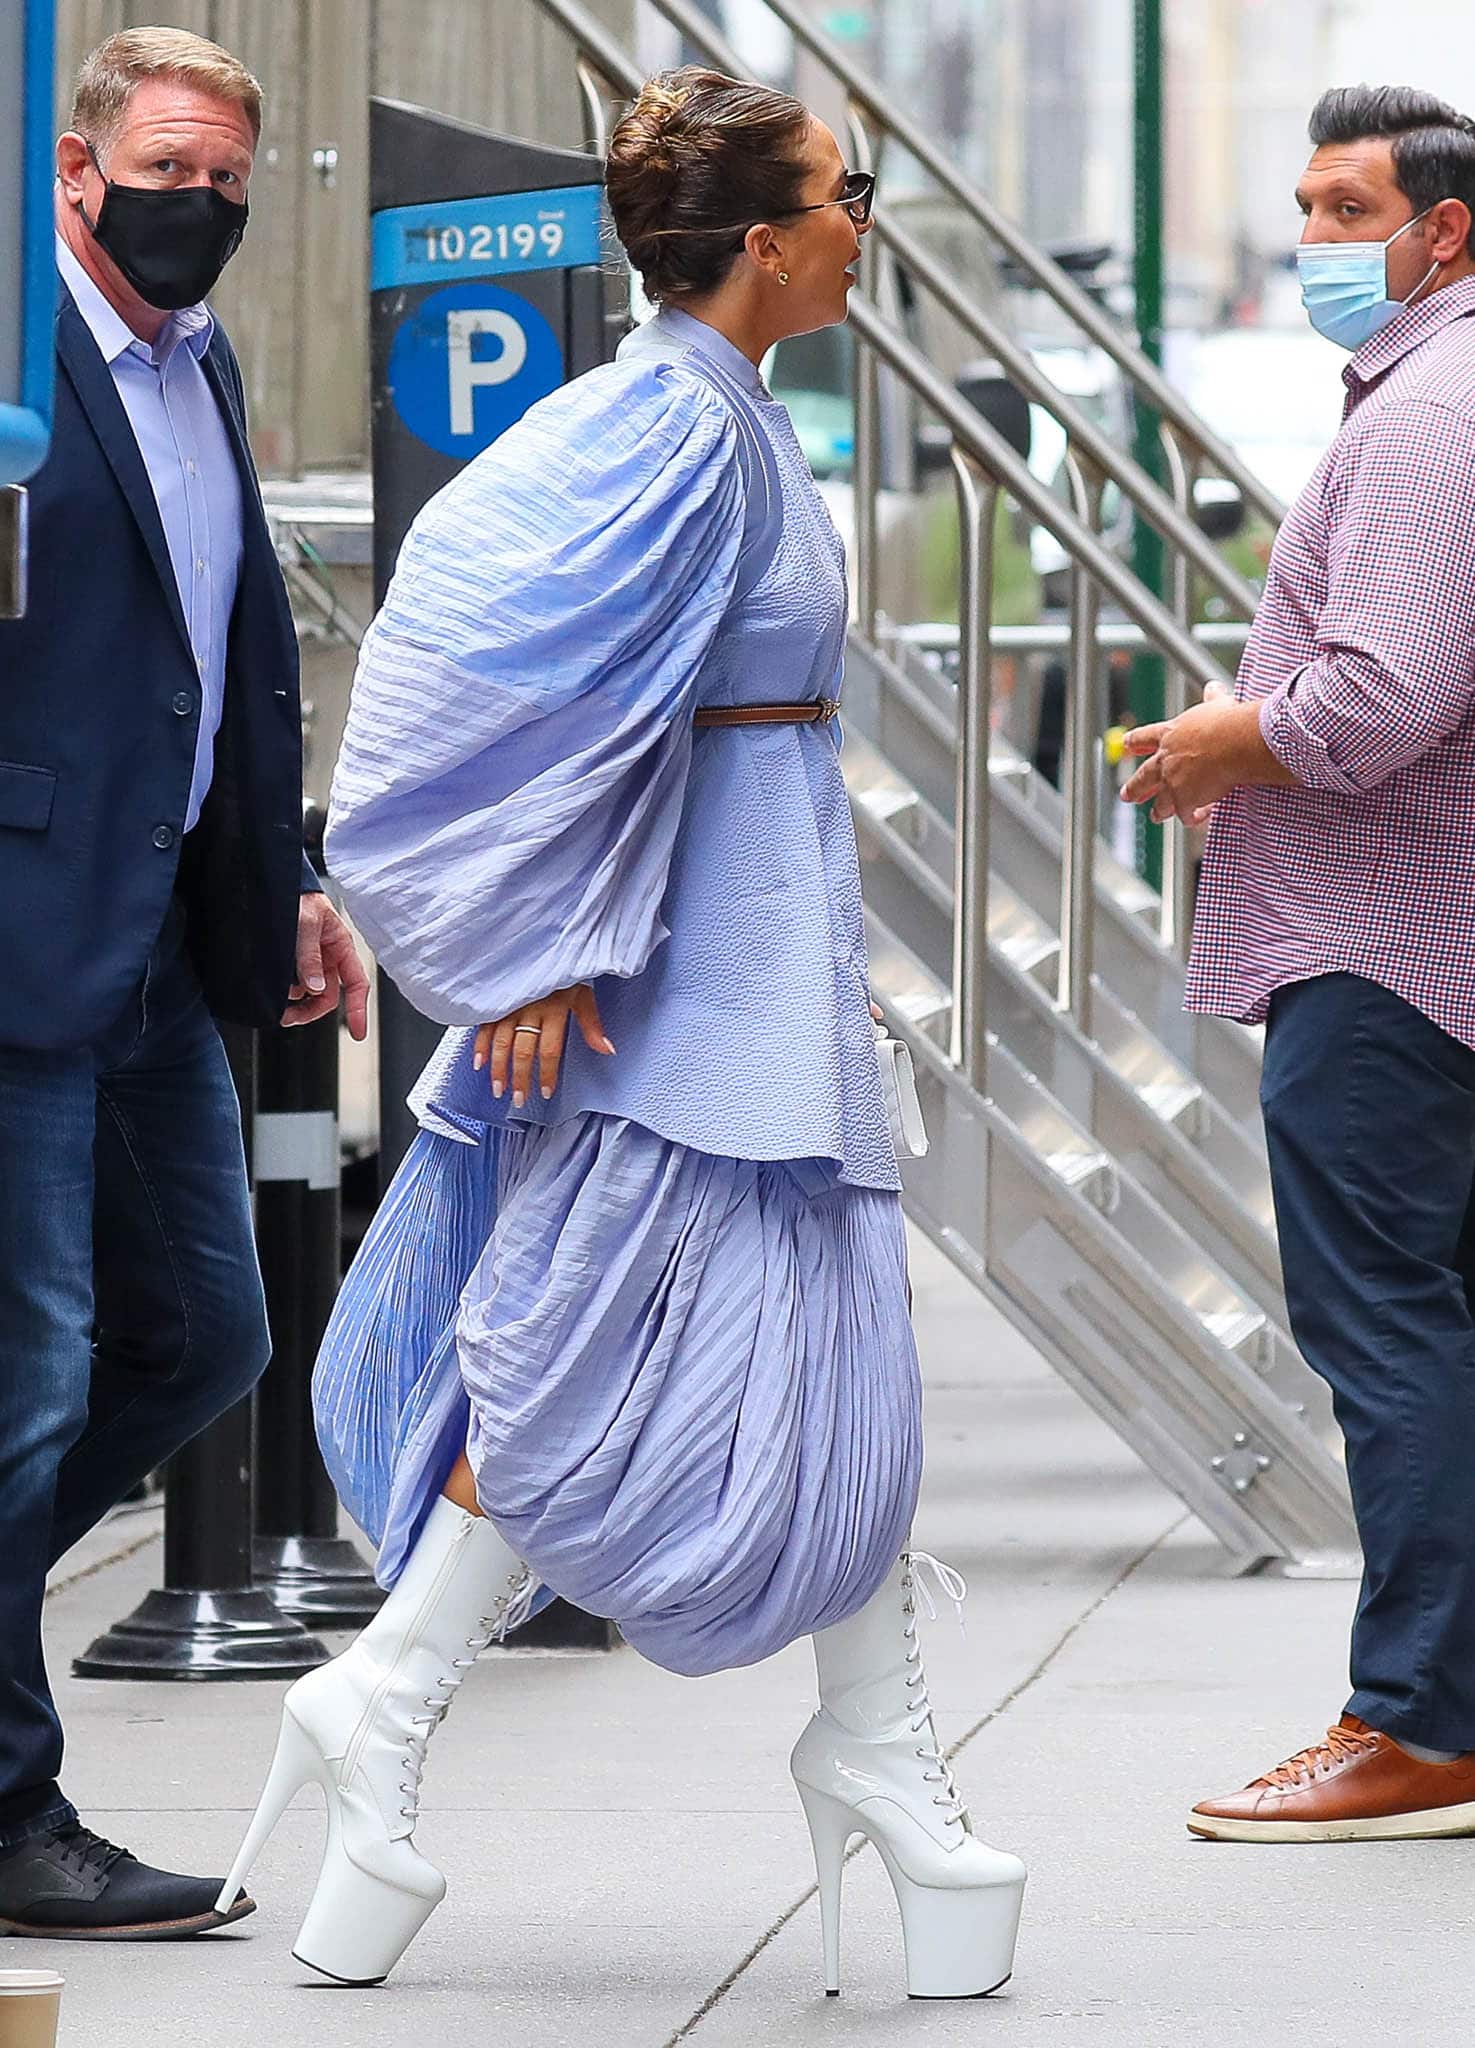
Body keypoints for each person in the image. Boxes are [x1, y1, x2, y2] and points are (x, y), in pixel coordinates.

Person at [219, 68, 1028, 1997]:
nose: (860, 230)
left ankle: (862, 1749)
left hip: (741, 966)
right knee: (587, 1358)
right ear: (766, 242)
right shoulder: (667, 429)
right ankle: (399, 1692)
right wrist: (536, 944)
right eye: (842, 200)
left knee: (823, 1350)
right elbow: (467, 698)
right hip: (674, 989)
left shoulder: (718, 419)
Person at [0, 27, 368, 1938]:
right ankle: (8, 1817)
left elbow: (224, 659)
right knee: (33, 1368)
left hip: (158, 944)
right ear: (73, 172)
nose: (200, 206)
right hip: (20, 931)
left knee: (207, 1343)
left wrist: (284, 880)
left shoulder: (199, 358)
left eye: (230, 180)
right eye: (168, 168)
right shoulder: (15, 360)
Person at [1122, 85, 1475, 1842]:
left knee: (1389, 1329)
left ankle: (1415, 1728)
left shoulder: (1429, 412)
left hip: (1388, 948)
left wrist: (1213, 744)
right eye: (1310, 211)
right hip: (1431, 944)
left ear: (1444, 230)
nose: (1317, 244)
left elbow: (1384, 692)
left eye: (1346, 213)